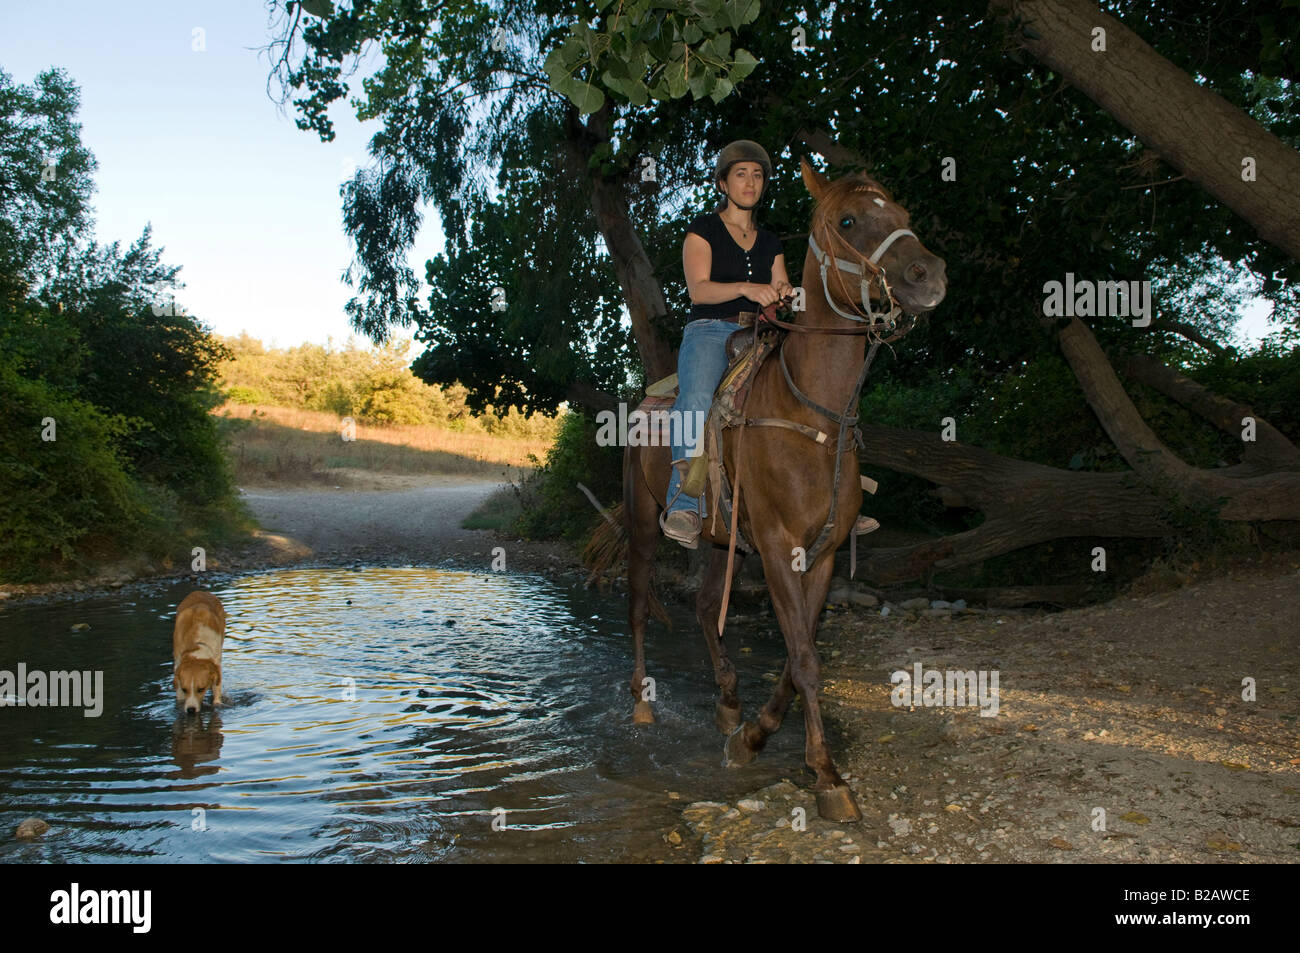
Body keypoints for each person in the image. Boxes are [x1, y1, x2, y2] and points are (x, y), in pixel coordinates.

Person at [661, 140, 794, 548]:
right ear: (722, 182)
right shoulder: (703, 230)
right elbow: (698, 291)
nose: (750, 181)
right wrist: (747, 288)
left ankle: (835, 495)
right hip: (711, 331)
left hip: (762, 334)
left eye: (757, 174)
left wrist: (786, 293)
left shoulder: (770, 241)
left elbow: (779, 285)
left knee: (808, 388)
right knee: (698, 398)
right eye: (741, 173)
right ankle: (683, 502)